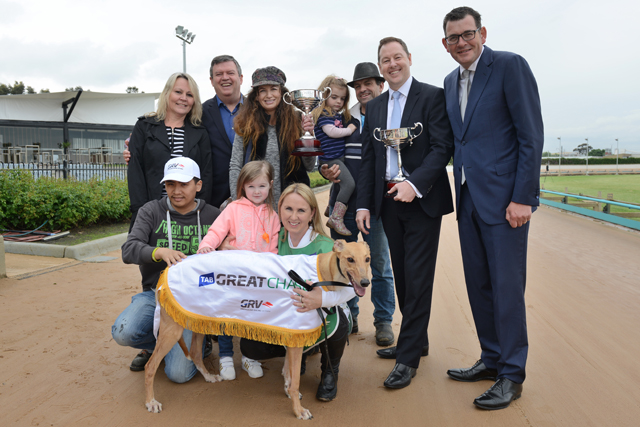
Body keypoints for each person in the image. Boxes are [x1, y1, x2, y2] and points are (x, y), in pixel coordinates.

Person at [441, 6, 543, 410]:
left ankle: (511, 374)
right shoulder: (450, 82)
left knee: (506, 288)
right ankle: (491, 358)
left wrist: (523, 197)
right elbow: (457, 142)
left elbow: (530, 136)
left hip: (506, 203)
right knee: (479, 286)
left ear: (482, 33)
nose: (462, 42)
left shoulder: (509, 66)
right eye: (454, 38)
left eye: (468, 34)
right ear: (445, 44)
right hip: (467, 199)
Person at [356, 37, 454, 389]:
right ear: (380, 67)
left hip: (422, 199)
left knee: (418, 275)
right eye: (386, 59)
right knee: (403, 275)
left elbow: (442, 147)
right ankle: (419, 340)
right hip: (388, 200)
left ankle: (408, 355)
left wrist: (414, 184)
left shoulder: (432, 96)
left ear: (409, 59)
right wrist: (364, 203)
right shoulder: (376, 106)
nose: (392, 63)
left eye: (398, 57)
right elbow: (370, 158)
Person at [240, 183, 355, 402]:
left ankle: (330, 371)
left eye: (301, 210)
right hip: (284, 314)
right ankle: (300, 352)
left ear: (312, 213)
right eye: (288, 209)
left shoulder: (326, 246)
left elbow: (350, 289)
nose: (294, 217)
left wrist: (322, 298)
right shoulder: (274, 238)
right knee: (249, 346)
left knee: (337, 319)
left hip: (321, 314)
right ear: (279, 210)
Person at [112, 157, 220, 381]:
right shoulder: (151, 211)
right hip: (156, 294)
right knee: (123, 332)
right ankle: (162, 344)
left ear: (197, 185)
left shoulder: (213, 216)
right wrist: (158, 252)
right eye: (170, 184)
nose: (176, 191)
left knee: (178, 375)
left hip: (193, 303)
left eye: (184, 184)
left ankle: (201, 343)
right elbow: (128, 249)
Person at [319, 62, 396, 347]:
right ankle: (348, 316)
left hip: (377, 205)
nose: (364, 89)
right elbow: (324, 152)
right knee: (343, 266)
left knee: (378, 264)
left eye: (369, 84)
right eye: (358, 85)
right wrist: (325, 169)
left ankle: (383, 321)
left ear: (381, 85)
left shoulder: (391, 117)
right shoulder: (341, 119)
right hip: (344, 207)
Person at [197, 160, 281, 380]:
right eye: (251, 186)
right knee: (227, 313)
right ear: (242, 186)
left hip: (256, 279)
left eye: (261, 186)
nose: (256, 191)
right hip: (231, 275)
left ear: (271, 185)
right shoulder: (232, 209)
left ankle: (249, 356)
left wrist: (266, 266)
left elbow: (273, 247)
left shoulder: (273, 215)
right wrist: (207, 246)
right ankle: (225, 356)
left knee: (251, 315)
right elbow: (217, 231)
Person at [127, 72, 213, 229]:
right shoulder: (144, 127)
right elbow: (135, 172)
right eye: (178, 92)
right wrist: (141, 211)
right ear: (167, 94)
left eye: (189, 95)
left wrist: (198, 211)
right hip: (151, 213)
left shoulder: (200, 132)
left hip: (188, 217)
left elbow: (206, 174)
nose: (183, 98)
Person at [229, 66, 315, 207]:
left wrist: (309, 137)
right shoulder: (245, 125)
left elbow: (310, 166)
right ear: (256, 96)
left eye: (273, 89)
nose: (269, 95)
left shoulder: (298, 121)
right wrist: (237, 200)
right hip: (256, 207)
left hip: (292, 206)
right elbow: (235, 165)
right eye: (263, 90)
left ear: (282, 92)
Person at [312, 75, 357, 236]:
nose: (338, 101)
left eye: (342, 99)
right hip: (330, 158)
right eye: (334, 97)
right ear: (324, 96)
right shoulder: (324, 114)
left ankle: (331, 207)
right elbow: (331, 132)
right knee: (348, 184)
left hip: (336, 156)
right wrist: (350, 129)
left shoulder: (335, 114)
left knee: (338, 182)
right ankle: (336, 217)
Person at [202, 55, 244, 208]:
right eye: (218, 74)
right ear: (212, 80)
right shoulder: (199, 113)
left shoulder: (257, 110)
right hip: (214, 201)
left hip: (254, 197)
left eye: (230, 73)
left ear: (240, 78)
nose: (224, 78)